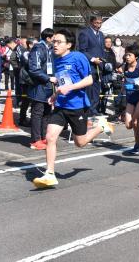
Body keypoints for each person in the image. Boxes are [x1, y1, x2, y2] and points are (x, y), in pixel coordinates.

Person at [32, 29, 113, 188]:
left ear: (68, 45)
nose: (54, 45)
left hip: (77, 106)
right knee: (50, 137)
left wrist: (70, 88)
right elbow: (62, 82)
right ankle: (50, 174)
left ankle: (101, 127)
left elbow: (89, 80)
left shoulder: (78, 57)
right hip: (61, 105)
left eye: (58, 42)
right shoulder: (56, 59)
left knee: (80, 143)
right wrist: (55, 96)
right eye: (54, 41)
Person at [27, 29, 55, 150]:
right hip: (39, 86)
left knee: (47, 113)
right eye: (54, 38)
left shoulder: (50, 49)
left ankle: (44, 137)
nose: (56, 41)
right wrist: (48, 79)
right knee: (37, 113)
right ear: (48, 38)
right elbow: (34, 69)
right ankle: (35, 140)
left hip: (48, 86)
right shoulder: (38, 48)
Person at [77, 15, 105, 116]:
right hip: (89, 66)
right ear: (91, 22)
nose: (99, 25)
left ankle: (94, 110)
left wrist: (103, 61)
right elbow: (82, 50)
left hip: (99, 66)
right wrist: (93, 59)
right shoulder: (84, 33)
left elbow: (102, 50)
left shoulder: (101, 34)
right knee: (89, 89)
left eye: (100, 23)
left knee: (97, 89)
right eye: (97, 23)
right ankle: (87, 110)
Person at [99, 37, 117, 115]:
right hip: (102, 74)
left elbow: (114, 63)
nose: (108, 43)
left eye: (110, 42)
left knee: (107, 94)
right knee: (101, 93)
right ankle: (99, 109)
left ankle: (104, 110)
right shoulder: (101, 52)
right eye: (106, 42)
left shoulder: (112, 52)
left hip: (110, 75)